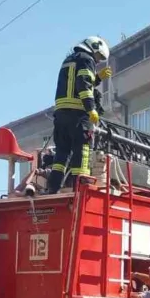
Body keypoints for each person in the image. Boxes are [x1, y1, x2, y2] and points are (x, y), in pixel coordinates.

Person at [41, 36, 113, 195]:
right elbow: (84, 85)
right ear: (93, 48)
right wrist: (91, 109)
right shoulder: (87, 60)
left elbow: (75, 82)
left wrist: (98, 78)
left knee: (61, 153)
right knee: (82, 149)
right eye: (99, 57)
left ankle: (53, 187)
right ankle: (80, 188)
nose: (98, 60)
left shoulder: (69, 60)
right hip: (78, 115)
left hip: (61, 115)